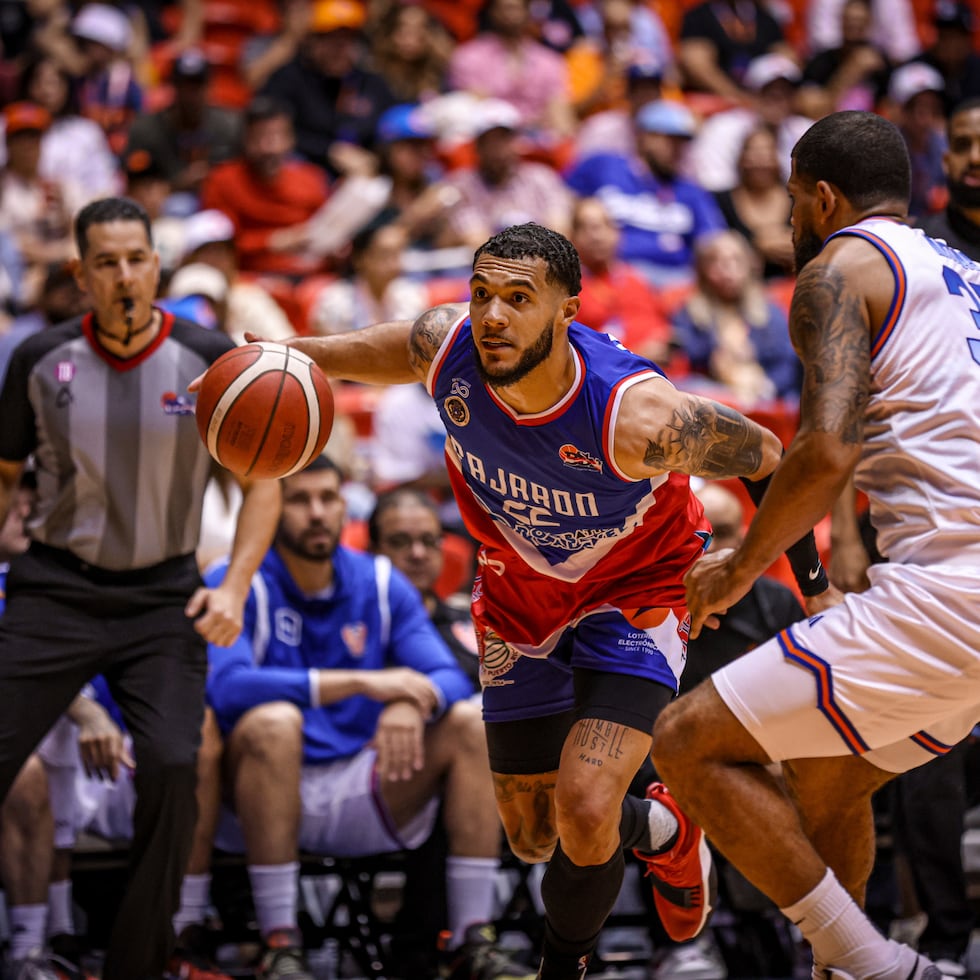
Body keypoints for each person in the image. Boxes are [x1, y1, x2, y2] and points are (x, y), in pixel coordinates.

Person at [253, 220, 832, 979]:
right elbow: (401, 347)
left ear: (567, 312)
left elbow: (765, 455)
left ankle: (562, 970)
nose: (493, 315)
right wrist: (298, 356)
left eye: (518, 299)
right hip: (520, 592)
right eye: (482, 294)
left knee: (586, 807)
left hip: (634, 590)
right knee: (531, 834)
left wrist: (806, 587)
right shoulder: (453, 351)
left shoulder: (635, 414)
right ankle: (660, 825)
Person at [652, 110, 980, 980]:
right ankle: (845, 969)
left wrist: (738, 566)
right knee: (828, 775)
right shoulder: (964, 272)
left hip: (949, 591)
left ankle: (872, 964)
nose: (788, 225)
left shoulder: (838, 269)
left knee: (685, 741)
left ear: (823, 198)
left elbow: (826, 448)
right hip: (960, 593)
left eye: (794, 204)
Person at [0, 195, 281, 980]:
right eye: (107, 263)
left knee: (169, 767)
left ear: (156, 264)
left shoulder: (208, 354)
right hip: (54, 589)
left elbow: (265, 482)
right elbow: (4, 477)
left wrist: (234, 589)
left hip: (164, 598)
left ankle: (136, 966)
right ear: (79, 274)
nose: (125, 276)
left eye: (137, 259)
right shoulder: (37, 359)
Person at [204, 456, 529, 980]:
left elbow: (447, 675)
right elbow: (226, 687)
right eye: (299, 500)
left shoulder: (378, 581)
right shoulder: (235, 580)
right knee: (274, 723)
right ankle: (280, 945)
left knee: (470, 720)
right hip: (257, 795)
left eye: (329, 499)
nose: (317, 513)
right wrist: (360, 682)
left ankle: (473, 938)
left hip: (360, 783)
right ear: (267, 510)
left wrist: (409, 701)